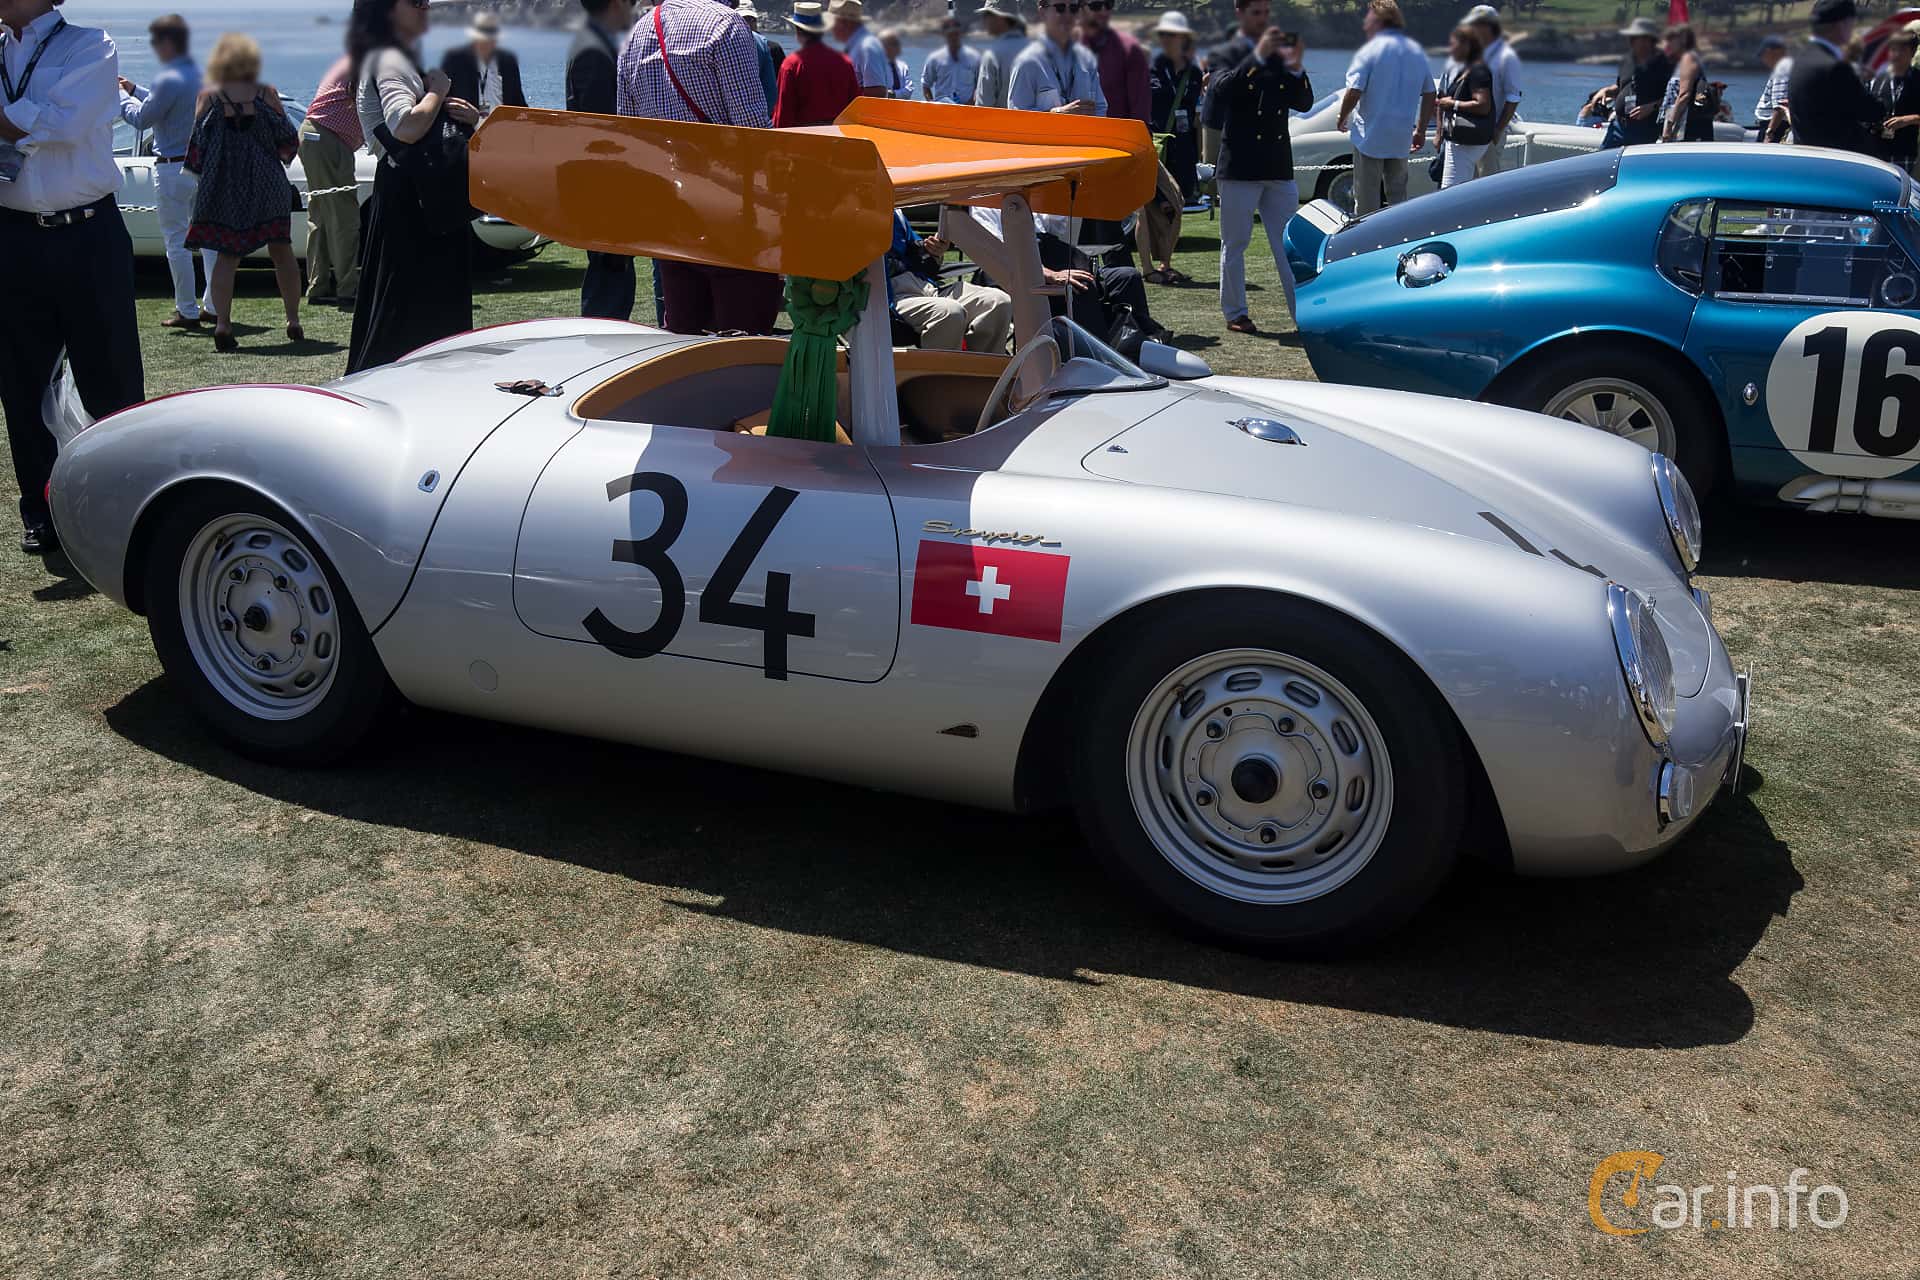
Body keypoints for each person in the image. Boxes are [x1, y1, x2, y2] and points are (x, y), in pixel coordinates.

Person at [0, 0, 144, 556]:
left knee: (112, 380)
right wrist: (25, 115)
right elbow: (38, 120)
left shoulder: (90, 45)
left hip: (87, 234)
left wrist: (19, 117)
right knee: (21, 384)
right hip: (13, 235)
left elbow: (63, 124)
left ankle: (126, 507)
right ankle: (42, 512)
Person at [620, 0, 781, 334]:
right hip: (734, 211)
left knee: (686, 341)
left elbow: (630, 136)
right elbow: (752, 131)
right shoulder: (726, 24)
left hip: (673, 214)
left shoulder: (636, 34)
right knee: (744, 341)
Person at [347, 0, 480, 373]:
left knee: (409, 317)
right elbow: (404, 126)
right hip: (414, 205)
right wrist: (438, 90)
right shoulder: (390, 58)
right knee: (414, 320)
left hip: (412, 199)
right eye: (417, 2)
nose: (426, 7)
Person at [184, 33, 302, 352]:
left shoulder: (208, 96)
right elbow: (288, 140)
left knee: (227, 255)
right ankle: (293, 320)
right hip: (268, 184)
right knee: (282, 250)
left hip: (225, 185)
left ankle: (223, 324)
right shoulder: (266, 92)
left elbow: (197, 146)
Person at [1211, 19, 1312, 333]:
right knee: (1235, 243)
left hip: (1276, 165)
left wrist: (1296, 67)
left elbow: (1304, 102)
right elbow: (1221, 90)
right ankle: (1235, 313)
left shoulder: (1280, 61)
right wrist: (1256, 57)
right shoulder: (1228, 54)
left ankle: (1303, 314)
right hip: (1240, 166)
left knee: (1290, 244)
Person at [118, 13, 207, 328]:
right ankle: (212, 304)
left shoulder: (168, 78)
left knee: (176, 241)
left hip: (171, 167)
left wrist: (121, 97)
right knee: (208, 240)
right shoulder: (197, 74)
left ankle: (187, 309)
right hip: (199, 164)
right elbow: (166, 105)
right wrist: (136, 90)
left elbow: (142, 119)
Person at [569, 0, 638, 321]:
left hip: (604, 184)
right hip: (606, 188)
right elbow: (601, 131)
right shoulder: (594, 51)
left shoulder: (592, 43)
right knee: (610, 285)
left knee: (613, 281)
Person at [1337, 0, 1432, 215]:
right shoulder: (1415, 52)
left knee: (1367, 200)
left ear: (1377, 21)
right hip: (1400, 137)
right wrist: (1421, 130)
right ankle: (1398, 233)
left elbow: (1354, 90)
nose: (1365, 22)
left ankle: (1365, 236)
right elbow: (1430, 93)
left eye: (1368, 17)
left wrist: (1342, 116)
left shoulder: (1369, 52)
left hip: (1370, 136)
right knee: (1398, 199)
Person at [886, 212, 1012, 352]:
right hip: (887, 296)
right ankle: (945, 367)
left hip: (925, 287)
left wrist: (933, 251)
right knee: (950, 311)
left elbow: (920, 257)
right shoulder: (866, 216)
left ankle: (983, 366)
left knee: (998, 301)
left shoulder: (896, 214)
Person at [298, 52, 363, 307]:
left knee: (321, 216)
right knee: (343, 216)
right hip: (330, 138)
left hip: (313, 133)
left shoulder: (350, 60)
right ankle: (348, 288)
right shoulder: (371, 63)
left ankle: (319, 285)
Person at [1139, 9, 1199, 284]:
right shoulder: (1149, 68)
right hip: (1154, 144)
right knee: (1152, 205)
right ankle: (1149, 266)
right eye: (1164, 34)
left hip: (1182, 147)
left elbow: (1195, 114)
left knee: (1176, 206)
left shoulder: (1193, 72)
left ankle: (1165, 263)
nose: (1167, 39)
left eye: (1172, 35)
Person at [1788, 0, 1886, 156]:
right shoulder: (1835, 67)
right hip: (1838, 160)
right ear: (1840, 25)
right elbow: (1871, 110)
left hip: (1808, 155)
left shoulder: (1800, 60)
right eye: (1852, 21)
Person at [1199, 0, 1269, 180]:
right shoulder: (1223, 54)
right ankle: (1210, 193)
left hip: (1244, 121)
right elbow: (1218, 83)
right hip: (1216, 118)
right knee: (1212, 170)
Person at [1422, 22, 1492, 188]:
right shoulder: (1463, 69)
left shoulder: (1478, 71)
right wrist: (1440, 131)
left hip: (1465, 140)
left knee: (1451, 189)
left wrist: (1452, 104)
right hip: (1457, 138)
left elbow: (1483, 105)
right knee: (1459, 188)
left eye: (1455, 44)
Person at [1008, 0, 1105, 116]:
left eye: (1073, 8)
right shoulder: (1027, 62)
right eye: (1060, 8)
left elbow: (1101, 109)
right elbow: (1016, 117)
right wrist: (1056, 114)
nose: (1068, 15)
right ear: (1043, 12)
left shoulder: (1087, 60)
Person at [774, 1, 857, 127]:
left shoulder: (791, 64)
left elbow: (783, 113)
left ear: (798, 31)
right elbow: (854, 106)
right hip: (838, 134)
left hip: (804, 135)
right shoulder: (845, 62)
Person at [1461, 5, 1520, 178]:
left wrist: (1498, 130)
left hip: (1490, 132)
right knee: (1464, 182)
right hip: (1464, 130)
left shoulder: (1507, 57)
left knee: (1487, 179)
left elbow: (1513, 97)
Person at [441, 12, 525, 115]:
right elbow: (445, 101)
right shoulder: (455, 60)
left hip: (503, 124)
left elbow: (518, 103)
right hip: (467, 125)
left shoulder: (508, 61)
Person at [1080, 0, 1149, 126]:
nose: (1104, 12)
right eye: (1096, 6)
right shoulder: (1066, 47)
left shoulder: (1130, 49)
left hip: (1115, 134)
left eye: (1108, 4)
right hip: (1075, 133)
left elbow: (1140, 107)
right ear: (1080, 8)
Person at [1606, 18, 1671, 148]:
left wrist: (1652, 107)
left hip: (1644, 129)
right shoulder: (1627, 60)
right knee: (1604, 158)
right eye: (1633, 38)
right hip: (1619, 125)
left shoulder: (1663, 63)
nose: (1633, 41)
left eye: (1639, 38)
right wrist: (1606, 91)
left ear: (1651, 40)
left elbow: (1674, 96)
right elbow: (1621, 86)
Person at [1872, 29, 1920, 175]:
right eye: (1893, 49)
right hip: (1875, 152)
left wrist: (1909, 119)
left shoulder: (1917, 79)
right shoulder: (1877, 78)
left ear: (1913, 52)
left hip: (1903, 153)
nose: (1896, 55)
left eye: (1902, 50)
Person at [1658, 24, 1715, 143]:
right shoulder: (1684, 60)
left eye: (1671, 39)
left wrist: (1668, 126)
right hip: (1682, 121)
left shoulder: (1688, 59)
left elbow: (1684, 95)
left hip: (1683, 124)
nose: (1667, 43)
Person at [972, 0, 1029, 109]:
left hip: (1002, 119)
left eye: (987, 15)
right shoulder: (1036, 49)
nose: (984, 20)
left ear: (1000, 18)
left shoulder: (992, 55)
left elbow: (984, 106)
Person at [830, 0, 889, 99]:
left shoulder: (866, 48)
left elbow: (877, 93)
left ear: (845, 23)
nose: (830, 28)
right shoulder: (858, 45)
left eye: (832, 22)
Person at [921, 17, 980, 104]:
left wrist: (972, 102)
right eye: (950, 34)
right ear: (944, 35)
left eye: (956, 34)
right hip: (942, 109)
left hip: (968, 108)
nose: (953, 38)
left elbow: (980, 85)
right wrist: (931, 104)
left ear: (960, 34)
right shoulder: (934, 59)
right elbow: (926, 85)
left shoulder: (974, 57)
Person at [735, 0, 780, 112]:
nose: (748, 23)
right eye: (744, 19)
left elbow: (779, 84)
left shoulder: (773, 48)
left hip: (766, 111)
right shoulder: (726, 49)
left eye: (751, 19)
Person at [1751, 33, 1791, 138]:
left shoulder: (1782, 71)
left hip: (1774, 126)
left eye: (1763, 56)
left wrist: (1770, 132)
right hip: (1777, 125)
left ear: (1771, 52)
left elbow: (1780, 106)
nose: (1763, 60)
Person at [878, 27, 911, 97]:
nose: (898, 46)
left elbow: (909, 90)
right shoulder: (876, 65)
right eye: (894, 43)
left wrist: (893, 94)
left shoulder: (903, 66)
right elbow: (876, 91)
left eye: (898, 43)